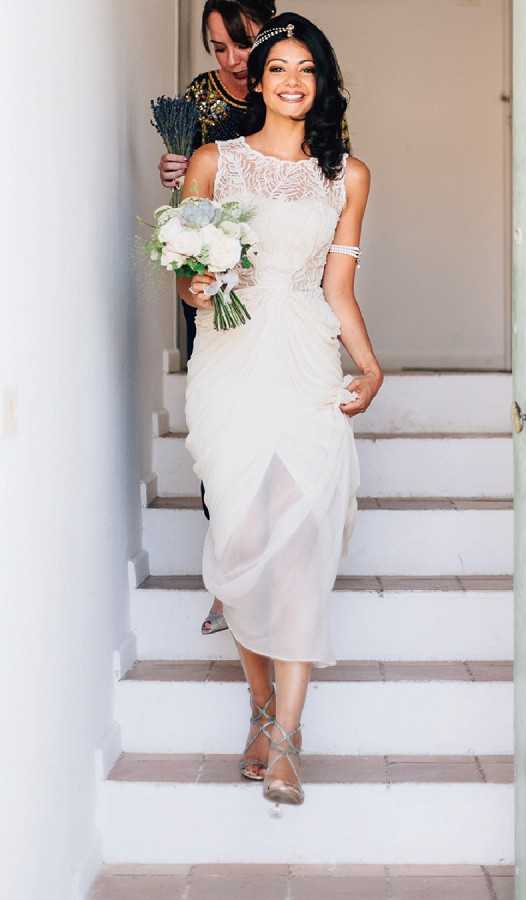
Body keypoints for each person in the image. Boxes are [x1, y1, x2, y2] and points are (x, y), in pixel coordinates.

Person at [178, 12, 383, 806]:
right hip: (230, 360)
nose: (293, 80)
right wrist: (195, 285)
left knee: (299, 544)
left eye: (308, 68)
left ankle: (288, 735)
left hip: (303, 359)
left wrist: (368, 366)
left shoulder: (349, 175)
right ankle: (259, 704)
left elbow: (339, 287)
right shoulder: (212, 163)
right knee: (242, 536)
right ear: (255, 82)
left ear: (323, 83)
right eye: (278, 68)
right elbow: (189, 270)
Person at [160, 1, 277, 637]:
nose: (233, 62)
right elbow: (189, 203)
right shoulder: (197, 100)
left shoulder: (294, 82)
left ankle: (271, 568)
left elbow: (331, 175)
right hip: (212, 279)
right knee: (218, 433)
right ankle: (229, 579)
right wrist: (174, 175)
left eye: (244, 44)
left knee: (272, 430)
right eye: (218, 49)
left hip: (278, 283)